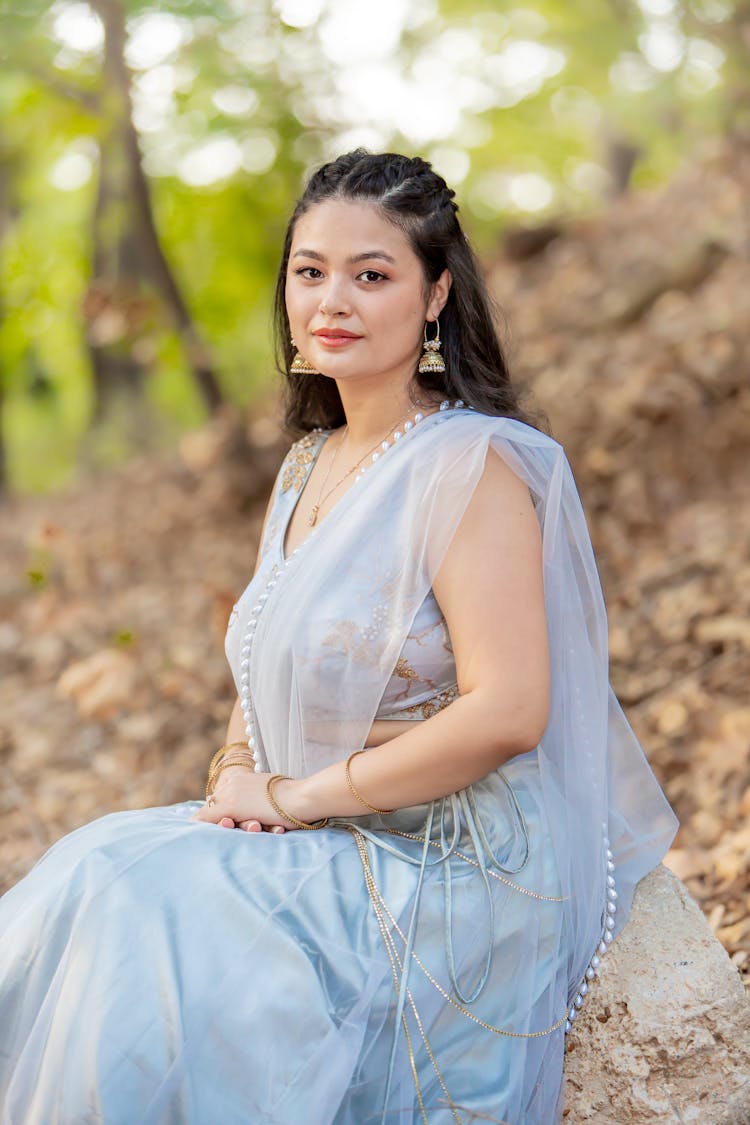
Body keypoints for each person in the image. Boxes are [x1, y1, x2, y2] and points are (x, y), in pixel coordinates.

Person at [0, 150, 677, 1124]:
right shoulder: (310, 463)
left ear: (436, 294)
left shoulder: (469, 465)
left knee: (144, 905)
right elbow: (263, 646)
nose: (334, 300)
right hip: (322, 825)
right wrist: (236, 780)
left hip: (447, 859)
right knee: (93, 871)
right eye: (310, 271)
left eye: (373, 274)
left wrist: (292, 796)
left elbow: (511, 709)